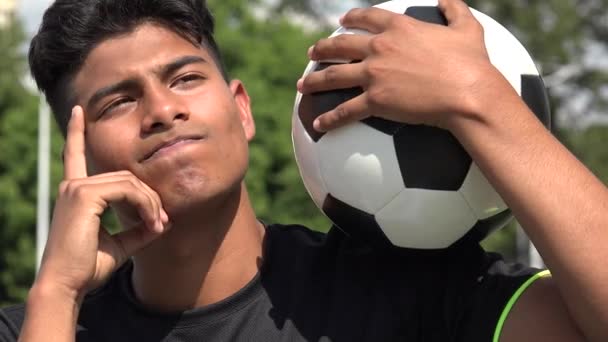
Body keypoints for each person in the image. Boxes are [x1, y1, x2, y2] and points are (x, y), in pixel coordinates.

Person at [0, 0, 606, 340]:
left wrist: (477, 97)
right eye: (119, 101)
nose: (163, 110)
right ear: (76, 156)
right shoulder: (36, 327)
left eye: (185, 78)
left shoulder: (416, 295)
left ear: (242, 110)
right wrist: (56, 293)